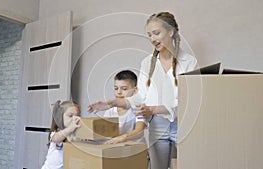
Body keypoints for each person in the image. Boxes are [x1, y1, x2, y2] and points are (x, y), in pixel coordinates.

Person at [88, 12, 198, 169]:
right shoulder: (147, 63)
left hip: (182, 124)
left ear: (171, 31)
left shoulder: (189, 62)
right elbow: (140, 97)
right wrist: (113, 102)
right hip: (157, 125)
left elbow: (187, 100)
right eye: (149, 35)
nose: (152, 39)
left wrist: (152, 109)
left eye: (156, 33)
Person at [102, 70, 145, 144]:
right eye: (116, 88)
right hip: (115, 150)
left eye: (124, 89)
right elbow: (104, 132)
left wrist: (122, 138)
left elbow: (139, 131)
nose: (119, 92)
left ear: (135, 90)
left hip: (135, 150)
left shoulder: (138, 108)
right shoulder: (110, 111)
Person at [41, 100, 81, 169]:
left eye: (78, 115)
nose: (75, 118)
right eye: (70, 116)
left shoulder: (75, 134)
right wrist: (69, 129)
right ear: (60, 118)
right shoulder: (56, 133)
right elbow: (56, 139)